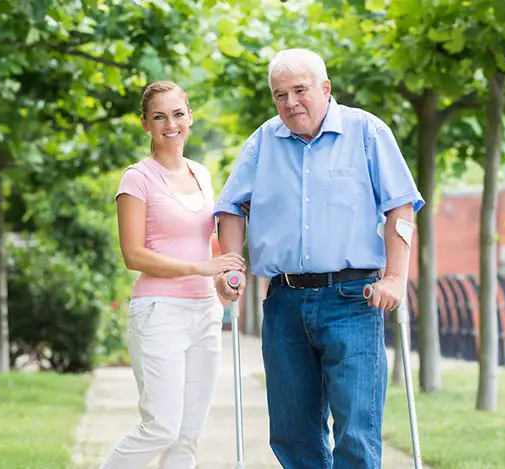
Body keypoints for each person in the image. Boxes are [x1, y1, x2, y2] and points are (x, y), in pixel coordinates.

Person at [214, 48, 424, 468]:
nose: (290, 103)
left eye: (299, 90)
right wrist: (231, 263)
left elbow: (400, 206)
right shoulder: (263, 140)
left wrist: (397, 277)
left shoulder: (366, 132)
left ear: (325, 89)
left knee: (356, 433)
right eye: (279, 95)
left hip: (353, 297)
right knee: (293, 434)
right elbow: (231, 207)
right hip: (284, 302)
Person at [101, 80, 245, 469]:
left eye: (178, 114)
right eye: (159, 117)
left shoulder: (200, 173)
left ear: (190, 117)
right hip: (158, 313)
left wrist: (219, 277)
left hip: (204, 312)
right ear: (145, 124)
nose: (171, 124)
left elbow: (202, 243)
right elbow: (133, 254)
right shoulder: (137, 178)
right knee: (161, 428)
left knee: (187, 436)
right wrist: (200, 268)